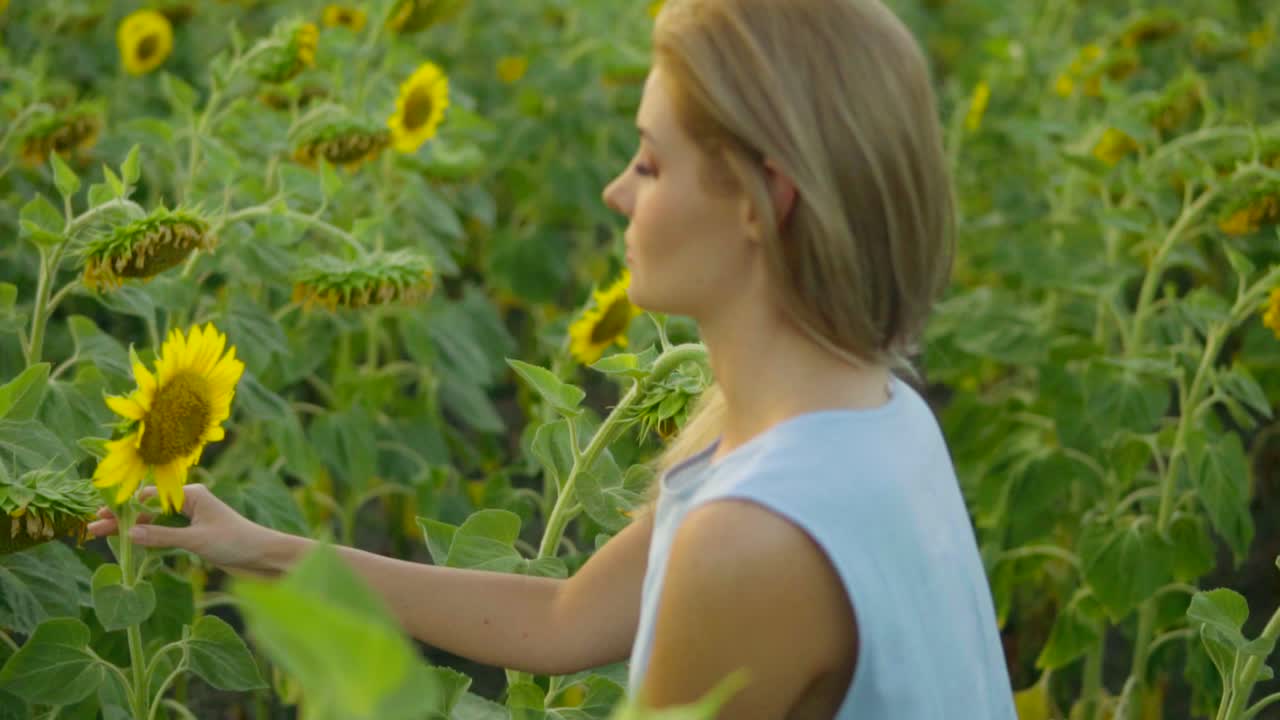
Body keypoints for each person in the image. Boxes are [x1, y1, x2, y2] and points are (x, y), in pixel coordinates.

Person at [90, 0, 1017, 716]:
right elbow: (565, 618)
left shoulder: (755, 541)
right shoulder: (866, 415)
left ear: (759, 201)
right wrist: (261, 550)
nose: (617, 191)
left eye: (650, 164)